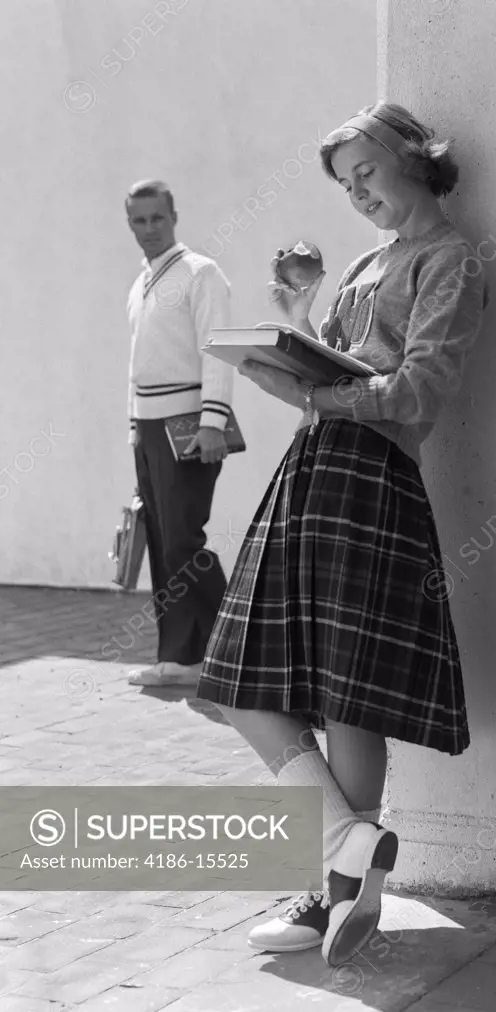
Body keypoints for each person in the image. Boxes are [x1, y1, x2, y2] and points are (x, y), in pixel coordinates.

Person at [196, 103, 486, 967]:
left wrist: (319, 393)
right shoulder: (365, 261)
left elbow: (420, 390)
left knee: (346, 694)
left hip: (372, 478)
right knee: (240, 683)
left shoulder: (452, 258)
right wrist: (293, 319)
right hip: (315, 467)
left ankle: (334, 899)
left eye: (366, 174)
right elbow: (333, 371)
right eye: (344, 185)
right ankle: (350, 850)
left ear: (410, 158)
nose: (357, 194)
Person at [124, 179, 234, 688]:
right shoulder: (140, 283)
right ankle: (179, 657)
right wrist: (133, 429)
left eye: (157, 218)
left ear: (174, 216)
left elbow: (217, 350)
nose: (149, 228)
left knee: (185, 541)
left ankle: (233, 651)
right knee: (164, 541)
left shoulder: (200, 273)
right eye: (139, 220)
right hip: (147, 429)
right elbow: (137, 365)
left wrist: (213, 422)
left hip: (189, 424)